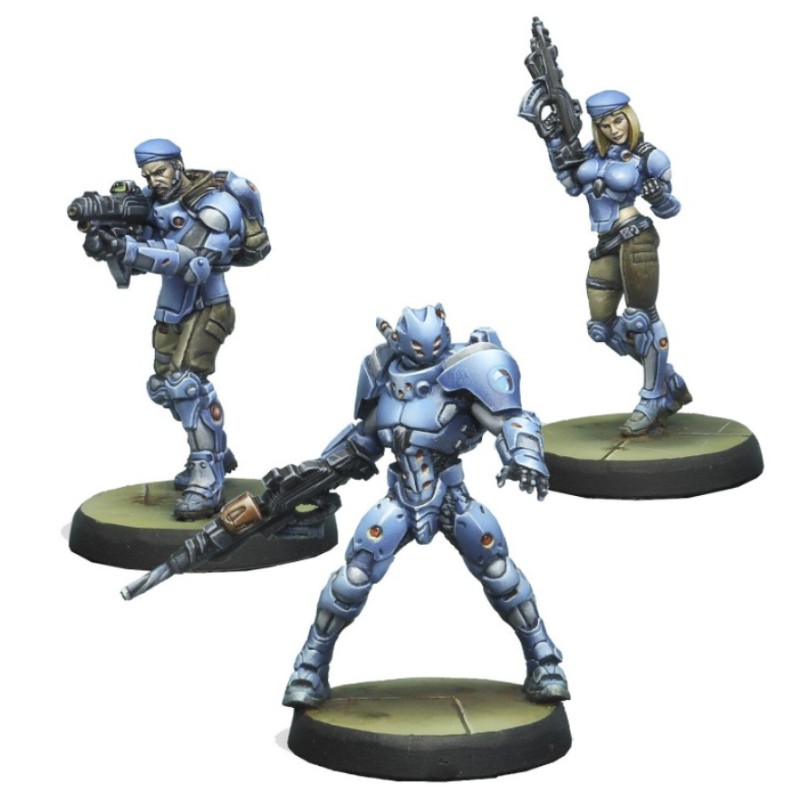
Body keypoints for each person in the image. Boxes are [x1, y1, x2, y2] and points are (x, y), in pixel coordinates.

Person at [282, 304, 569, 709]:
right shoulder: (383, 375)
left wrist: (524, 454)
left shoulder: (462, 372)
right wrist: (317, 477)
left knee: (500, 573)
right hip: (401, 497)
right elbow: (362, 440)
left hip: (452, 498)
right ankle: (310, 667)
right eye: (417, 346)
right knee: (353, 576)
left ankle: (545, 662)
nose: (426, 353)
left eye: (432, 344)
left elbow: (509, 419)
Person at [81, 138, 270, 518]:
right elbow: (143, 260)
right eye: (147, 174)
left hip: (208, 304)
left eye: (160, 171)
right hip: (171, 307)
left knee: (185, 384)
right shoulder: (154, 204)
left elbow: (194, 265)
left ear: (178, 164)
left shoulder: (215, 205)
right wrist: (114, 245)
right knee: (162, 388)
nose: (154, 180)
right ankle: (213, 447)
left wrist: (128, 250)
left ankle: (207, 475)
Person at [535, 89, 691, 436]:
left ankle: (651, 399)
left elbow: (672, 208)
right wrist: (553, 141)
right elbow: (571, 185)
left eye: (618, 121)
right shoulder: (593, 153)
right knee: (602, 327)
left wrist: (659, 197)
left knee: (641, 319)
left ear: (629, 117)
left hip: (636, 237)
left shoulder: (649, 157)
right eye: (605, 125)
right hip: (605, 243)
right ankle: (668, 380)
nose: (614, 129)